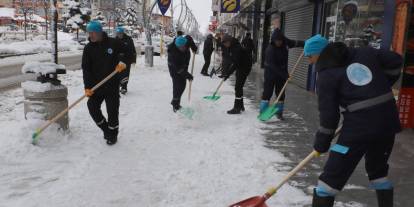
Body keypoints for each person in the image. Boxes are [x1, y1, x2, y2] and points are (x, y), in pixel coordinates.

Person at [304, 35, 403, 207]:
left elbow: (329, 117)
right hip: (387, 122)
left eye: (309, 56)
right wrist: (382, 84)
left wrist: (321, 144)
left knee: (330, 179)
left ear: (319, 54)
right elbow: (395, 60)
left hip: (359, 128)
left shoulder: (326, 76)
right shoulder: (364, 52)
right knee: (378, 171)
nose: (310, 62)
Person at [82, 21, 128, 145]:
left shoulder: (113, 43)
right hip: (96, 86)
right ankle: (106, 130)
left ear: (99, 32)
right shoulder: (88, 48)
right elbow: (86, 69)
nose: (90, 35)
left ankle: (113, 134)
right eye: (89, 33)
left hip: (111, 84)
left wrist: (122, 62)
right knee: (92, 107)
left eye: (92, 33)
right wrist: (87, 87)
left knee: (112, 111)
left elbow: (127, 52)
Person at [260, 29, 304, 120]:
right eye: (277, 41)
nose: (279, 43)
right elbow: (273, 66)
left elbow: (295, 43)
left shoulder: (286, 42)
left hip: (282, 73)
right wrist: (285, 75)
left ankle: (279, 113)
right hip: (270, 74)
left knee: (281, 94)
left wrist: (306, 43)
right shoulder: (270, 50)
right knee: (267, 93)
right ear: (273, 40)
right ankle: (263, 112)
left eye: (280, 41)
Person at [221, 34, 253, 114]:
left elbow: (235, 63)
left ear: (229, 41)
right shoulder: (232, 46)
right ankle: (241, 105)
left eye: (225, 43)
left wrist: (227, 74)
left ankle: (237, 108)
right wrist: (226, 73)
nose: (225, 45)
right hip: (241, 66)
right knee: (239, 86)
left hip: (244, 67)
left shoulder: (236, 48)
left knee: (238, 87)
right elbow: (232, 61)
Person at [167, 36, 193, 112]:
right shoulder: (172, 52)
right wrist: (187, 75)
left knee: (183, 85)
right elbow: (177, 68)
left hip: (182, 66)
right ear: (177, 46)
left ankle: (176, 102)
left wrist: (194, 47)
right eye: (181, 47)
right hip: (174, 69)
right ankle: (175, 104)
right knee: (177, 86)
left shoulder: (186, 44)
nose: (183, 48)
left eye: (184, 46)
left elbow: (190, 43)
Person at [115, 26, 137, 95]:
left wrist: (133, 60)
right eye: (118, 33)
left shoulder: (129, 39)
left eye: (120, 33)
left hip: (126, 60)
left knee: (125, 74)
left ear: (123, 33)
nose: (119, 35)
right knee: (117, 74)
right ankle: (117, 86)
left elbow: (133, 50)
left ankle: (124, 87)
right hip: (117, 61)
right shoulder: (115, 40)